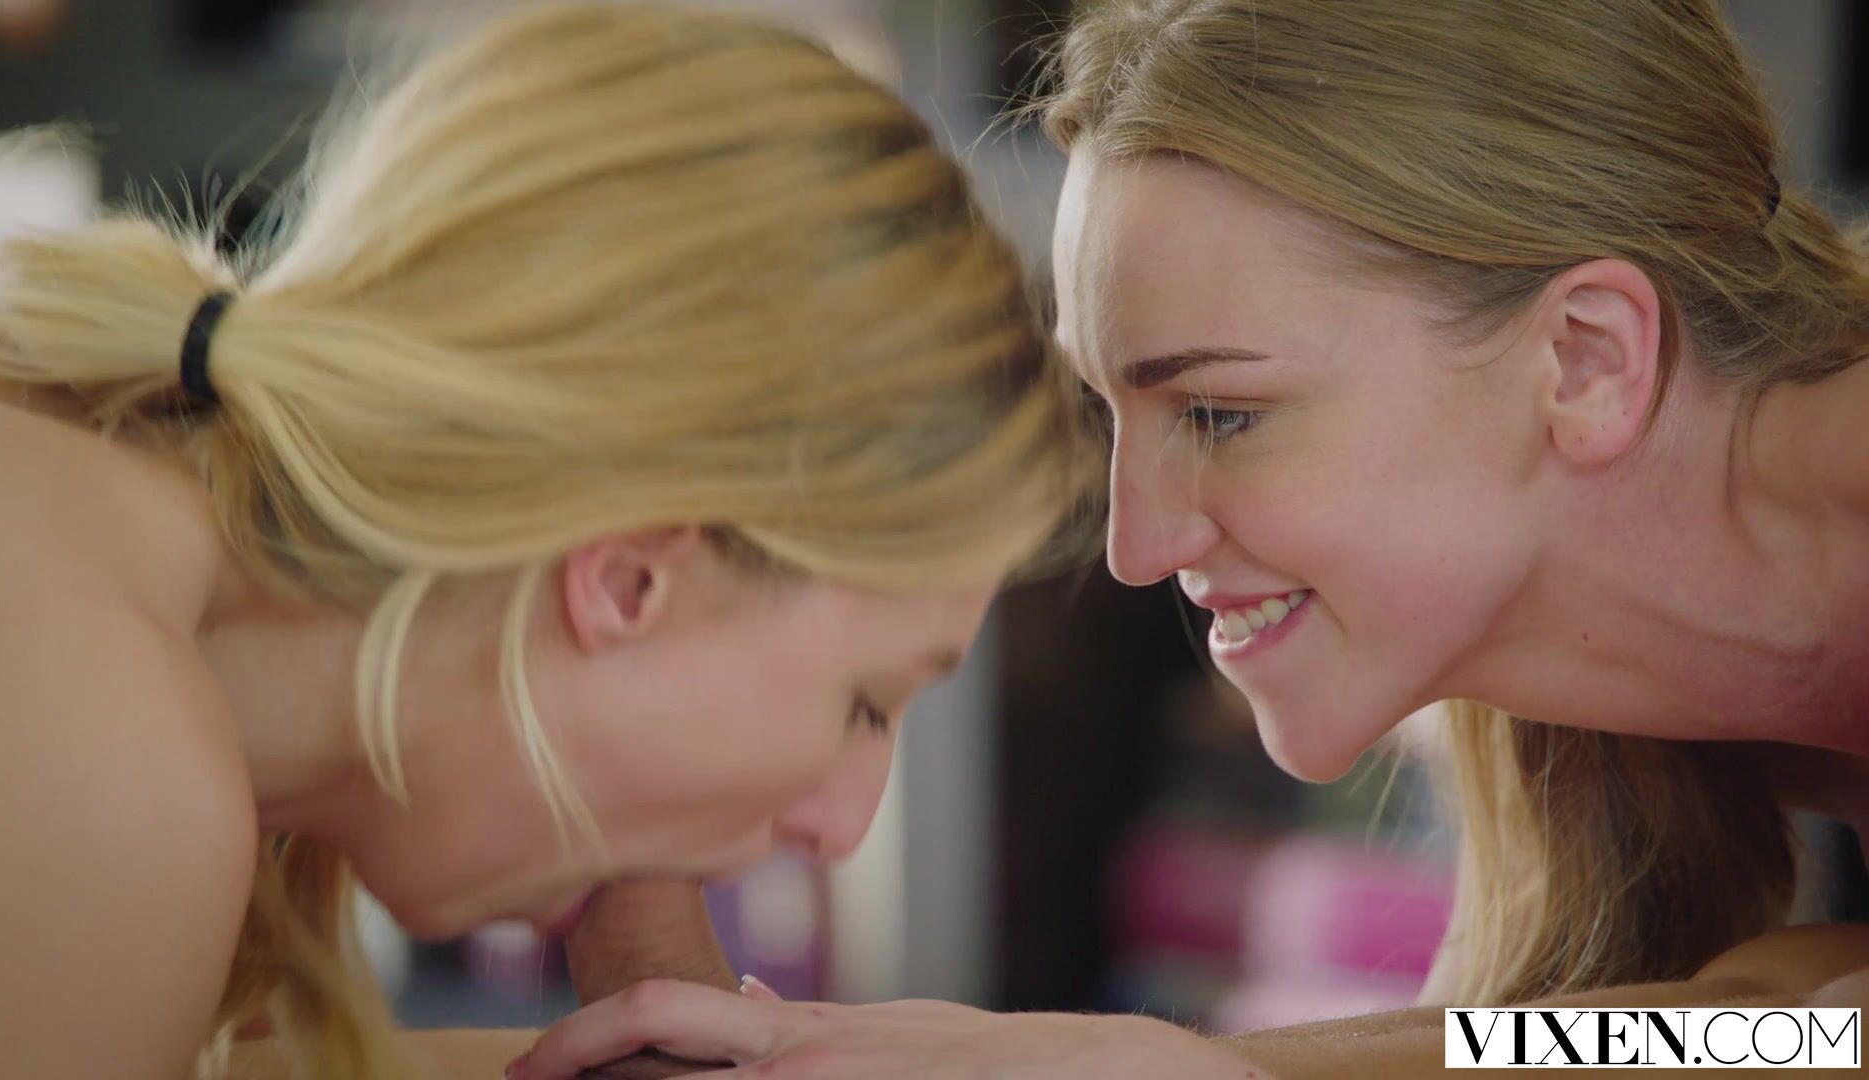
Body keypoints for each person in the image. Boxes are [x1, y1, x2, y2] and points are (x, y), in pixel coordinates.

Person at [513, 1, 1869, 1076]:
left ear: (1585, 359)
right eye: (1111, 414)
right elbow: (1724, 1026)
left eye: (1222, 414)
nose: (1135, 546)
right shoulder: (1552, 672)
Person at [0, 4, 1096, 1078]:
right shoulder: (108, 774)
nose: (836, 828)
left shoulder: (95, 544)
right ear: (629, 579)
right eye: (866, 703)